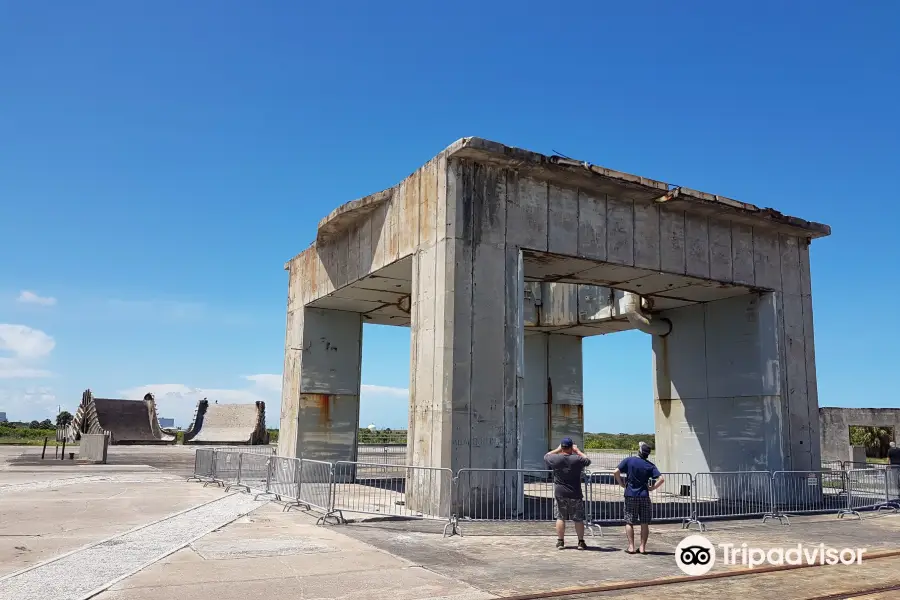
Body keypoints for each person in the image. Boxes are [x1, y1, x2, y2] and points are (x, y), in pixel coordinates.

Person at [614, 442, 665, 555]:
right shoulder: (649, 465)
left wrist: (621, 483)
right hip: (644, 495)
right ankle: (642, 547)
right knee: (644, 522)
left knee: (629, 521)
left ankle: (631, 547)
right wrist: (652, 488)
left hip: (630, 494)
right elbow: (661, 479)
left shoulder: (629, 460)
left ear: (639, 451)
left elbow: (616, 471)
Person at [544, 437, 591, 550]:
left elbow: (546, 456)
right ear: (571, 447)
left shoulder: (556, 459)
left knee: (560, 517)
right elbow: (588, 461)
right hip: (575, 492)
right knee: (578, 519)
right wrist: (578, 451)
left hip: (560, 492)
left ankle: (560, 542)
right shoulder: (577, 459)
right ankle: (580, 542)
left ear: (562, 447)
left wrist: (557, 449)